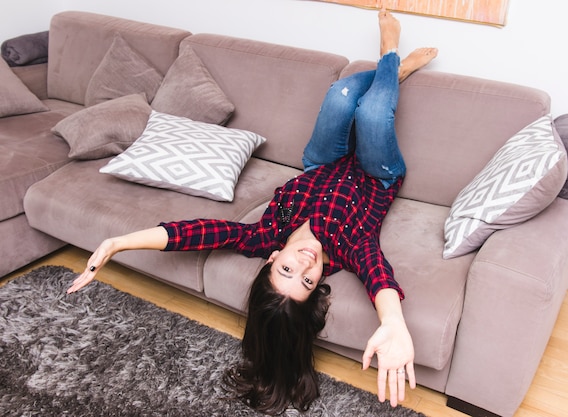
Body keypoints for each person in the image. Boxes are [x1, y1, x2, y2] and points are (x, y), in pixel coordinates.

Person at [67, 8, 437, 415]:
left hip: (321, 162)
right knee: (369, 113)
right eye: (308, 281)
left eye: (286, 271)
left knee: (342, 96)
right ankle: (390, 57)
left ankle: (390, 77)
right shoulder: (348, 246)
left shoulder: (265, 236)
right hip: (375, 173)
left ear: (272, 260)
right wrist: (394, 323)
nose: (304, 264)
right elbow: (377, 274)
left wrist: (118, 242)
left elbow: (196, 232)